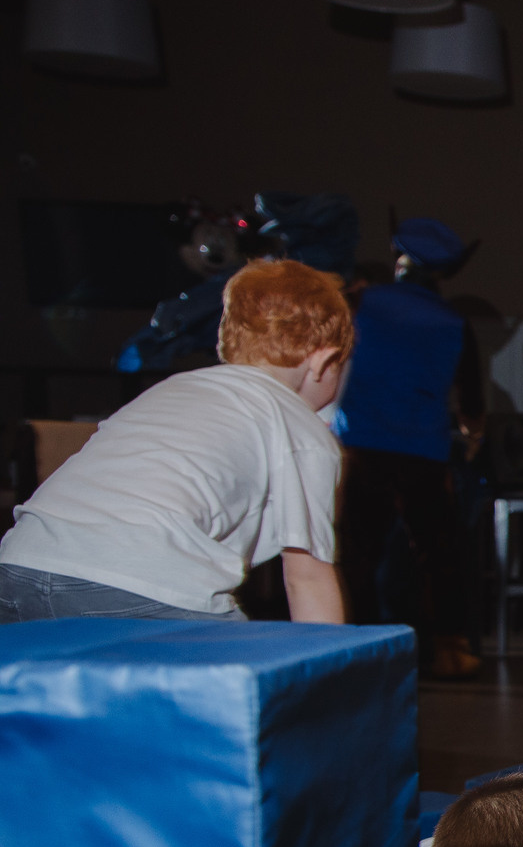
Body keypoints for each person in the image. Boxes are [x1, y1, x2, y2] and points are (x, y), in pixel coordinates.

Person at [1, 258, 349, 624]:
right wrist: (334, 676)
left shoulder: (174, 389)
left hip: (20, 564)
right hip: (138, 578)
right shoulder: (300, 426)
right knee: (247, 670)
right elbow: (306, 578)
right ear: (323, 361)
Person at [334, 217, 486, 679]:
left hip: (362, 448)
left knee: (358, 552)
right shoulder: (455, 324)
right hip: (423, 451)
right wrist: (471, 436)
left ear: (400, 261)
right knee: (439, 554)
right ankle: (450, 649)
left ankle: (350, 646)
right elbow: (472, 403)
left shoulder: (359, 303)